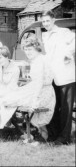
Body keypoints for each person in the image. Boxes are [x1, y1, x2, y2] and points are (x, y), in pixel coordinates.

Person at [2, 37, 55, 141]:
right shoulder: (33, 61)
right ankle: (31, 132)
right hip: (35, 89)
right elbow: (27, 80)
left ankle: (39, 134)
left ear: (36, 48)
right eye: (25, 49)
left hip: (43, 92)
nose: (27, 52)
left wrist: (35, 98)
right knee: (8, 96)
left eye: (30, 49)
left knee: (10, 99)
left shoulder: (40, 60)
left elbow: (39, 82)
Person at [41, 10, 75, 145]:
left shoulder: (64, 32)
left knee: (66, 109)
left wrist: (68, 53)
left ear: (53, 20)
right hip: (52, 77)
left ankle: (64, 138)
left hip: (66, 76)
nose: (45, 24)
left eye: (47, 21)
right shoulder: (44, 36)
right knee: (53, 107)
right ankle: (53, 135)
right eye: (43, 21)